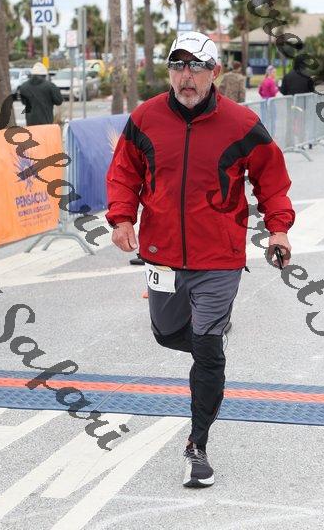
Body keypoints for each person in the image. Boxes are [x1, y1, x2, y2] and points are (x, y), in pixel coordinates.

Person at [106, 31, 295, 489]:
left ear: (214, 72)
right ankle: (209, 340)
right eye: (178, 66)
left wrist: (279, 228)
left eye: (196, 66)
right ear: (169, 72)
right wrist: (122, 218)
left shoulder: (241, 123)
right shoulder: (145, 117)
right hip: (162, 256)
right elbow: (124, 172)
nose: (186, 76)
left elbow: (271, 178)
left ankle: (198, 446)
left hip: (219, 258)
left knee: (207, 351)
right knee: (166, 333)